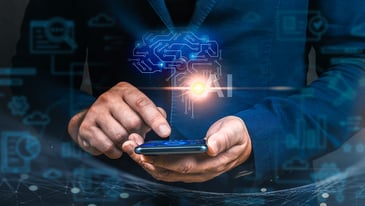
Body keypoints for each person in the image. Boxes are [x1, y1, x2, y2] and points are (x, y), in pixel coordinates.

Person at [11, 0, 365, 196]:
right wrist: (79, 116)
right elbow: (35, 73)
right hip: (115, 189)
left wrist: (262, 133)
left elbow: (357, 65)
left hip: (267, 192)